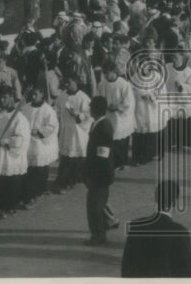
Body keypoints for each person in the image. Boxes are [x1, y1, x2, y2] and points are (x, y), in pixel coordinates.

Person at [121, 180, 191, 277]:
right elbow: (188, 270)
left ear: (156, 199)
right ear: (174, 203)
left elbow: (126, 266)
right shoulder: (179, 231)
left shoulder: (136, 225)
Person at [0, 85, 31, 218]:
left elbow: (22, 138)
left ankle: (9, 208)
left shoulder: (19, 118)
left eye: (4, 97)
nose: (1, 100)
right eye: (0, 97)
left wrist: (4, 142)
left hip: (11, 156)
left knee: (10, 183)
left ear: (11, 98)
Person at [84, 94, 118, 246]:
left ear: (96, 109)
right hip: (99, 173)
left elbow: (102, 156)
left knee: (94, 207)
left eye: (91, 106)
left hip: (100, 174)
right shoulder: (98, 123)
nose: (89, 108)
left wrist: (93, 175)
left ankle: (98, 235)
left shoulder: (103, 127)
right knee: (99, 203)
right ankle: (104, 226)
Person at [20, 86, 58, 205]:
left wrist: (39, 131)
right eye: (32, 94)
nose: (33, 96)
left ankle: (39, 190)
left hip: (40, 142)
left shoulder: (47, 110)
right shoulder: (25, 108)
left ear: (42, 95)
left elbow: (52, 126)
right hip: (28, 141)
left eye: (36, 94)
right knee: (30, 168)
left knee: (40, 168)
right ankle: (30, 191)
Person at [54, 75, 91, 192]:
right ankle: (63, 180)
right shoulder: (62, 96)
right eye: (65, 83)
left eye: (69, 82)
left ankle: (72, 179)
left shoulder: (83, 97)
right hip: (65, 130)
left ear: (76, 82)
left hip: (78, 131)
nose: (66, 85)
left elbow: (88, 115)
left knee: (75, 157)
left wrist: (77, 115)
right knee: (65, 156)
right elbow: (57, 111)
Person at [97, 58, 134, 169]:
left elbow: (129, 101)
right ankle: (110, 162)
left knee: (121, 141)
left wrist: (118, 107)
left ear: (114, 71)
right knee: (108, 139)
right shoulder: (102, 84)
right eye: (103, 73)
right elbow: (98, 98)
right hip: (107, 115)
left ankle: (121, 162)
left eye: (107, 73)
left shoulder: (123, 84)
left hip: (120, 117)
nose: (105, 76)